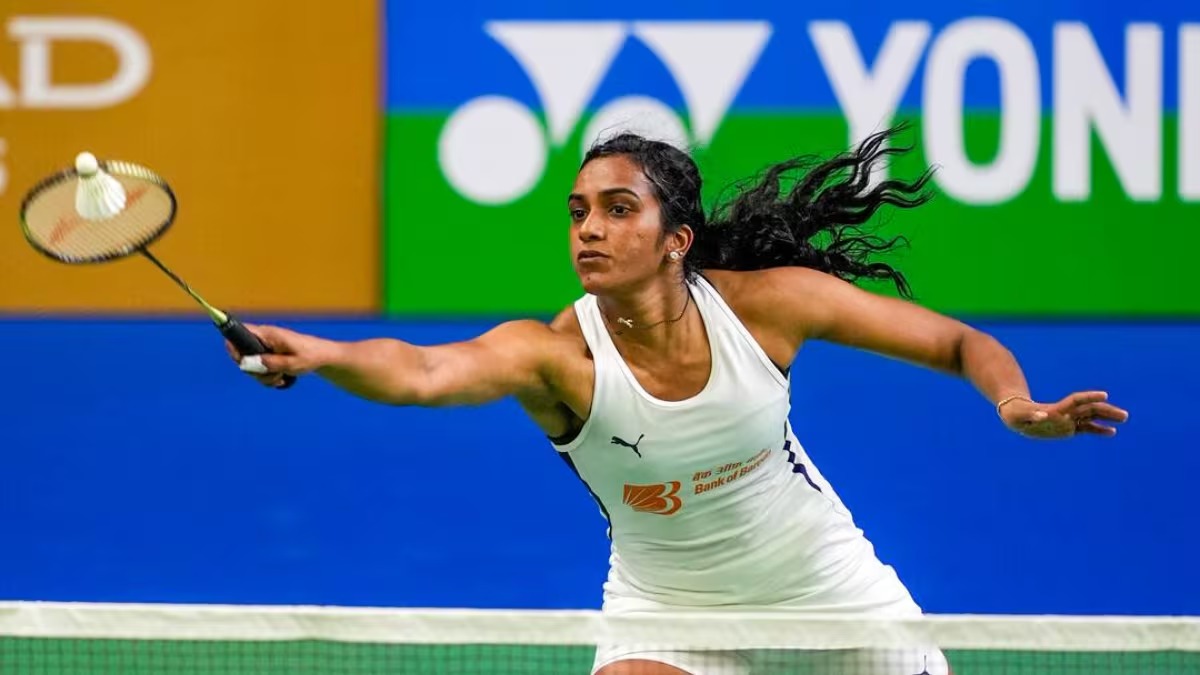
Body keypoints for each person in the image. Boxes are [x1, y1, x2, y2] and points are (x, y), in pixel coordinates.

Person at [228, 124, 1129, 675]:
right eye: (579, 210)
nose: (589, 228)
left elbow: (957, 341)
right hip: (669, 611)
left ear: (676, 239)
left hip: (827, 588)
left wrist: (1016, 404)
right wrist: (326, 354)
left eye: (618, 209)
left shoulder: (770, 306)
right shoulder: (559, 358)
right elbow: (425, 372)